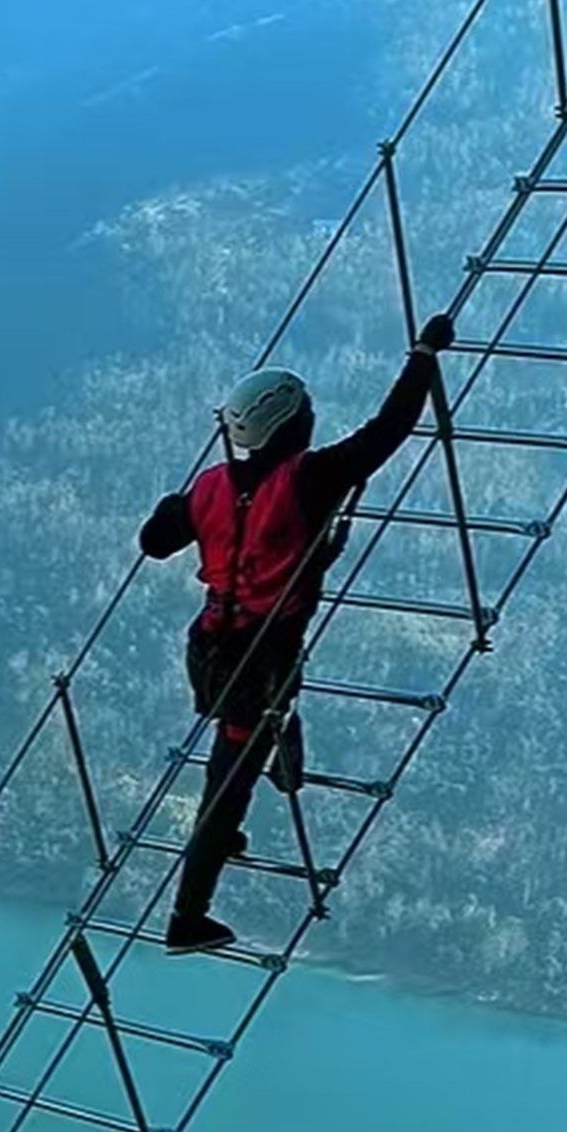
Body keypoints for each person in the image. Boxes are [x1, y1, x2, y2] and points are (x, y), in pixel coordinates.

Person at [137, 310, 457, 954]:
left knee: (249, 739)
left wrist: (186, 509)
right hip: (260, 656)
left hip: (210, 647)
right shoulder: (308, 479)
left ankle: (240, 814)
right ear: (292, 424)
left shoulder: (210, 488)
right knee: (229, 774)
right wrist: (425, 354)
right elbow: (389, 429)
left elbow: (154, 541)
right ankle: (187, 917)